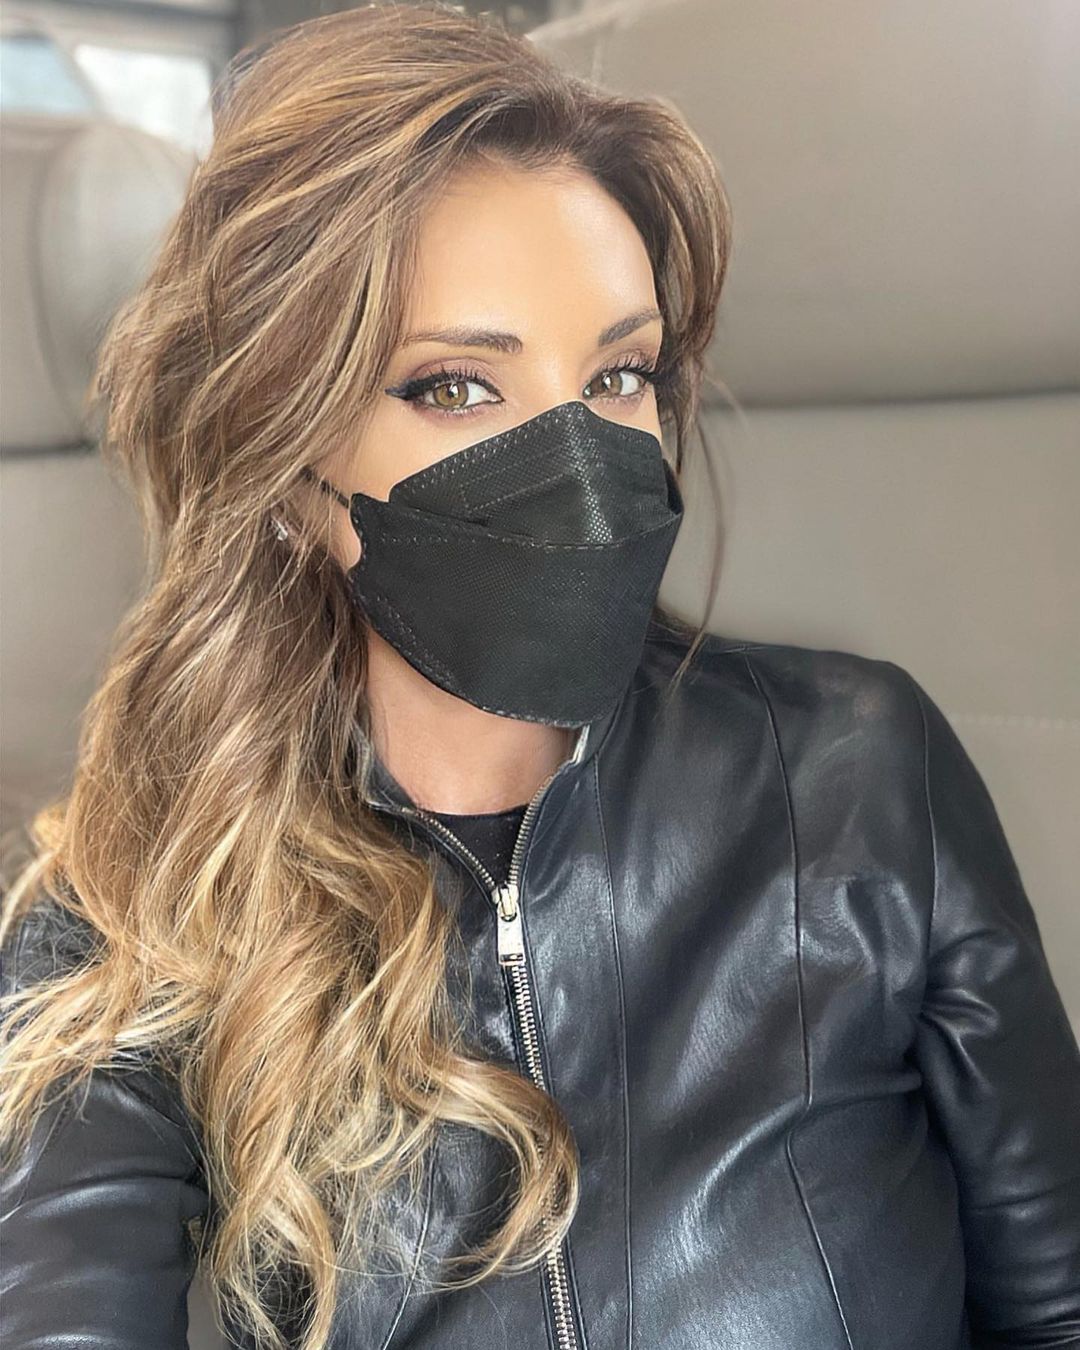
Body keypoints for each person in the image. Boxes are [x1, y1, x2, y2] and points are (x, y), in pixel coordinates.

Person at [2, 4, 1078, 1349]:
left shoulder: (860, 777)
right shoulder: (144, 903)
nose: (578, 462)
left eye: (620, 374)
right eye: (456, 386)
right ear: (287, 470)